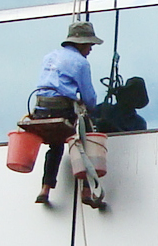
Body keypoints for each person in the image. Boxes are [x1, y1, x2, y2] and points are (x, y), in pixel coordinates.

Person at [31, 21, 104, 207]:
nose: (90, 49)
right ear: (81, 43)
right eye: (89, 45)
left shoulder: (50, 56)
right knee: (87, 137)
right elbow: (89, 97)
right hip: (61, 108)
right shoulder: (81, 63)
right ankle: (86, 190)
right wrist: (91, 108)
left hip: (41, 108)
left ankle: (45, 188)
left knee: (55, 145)